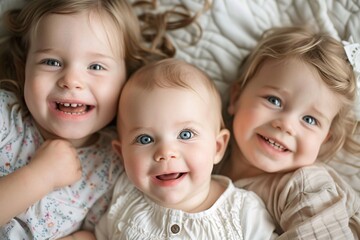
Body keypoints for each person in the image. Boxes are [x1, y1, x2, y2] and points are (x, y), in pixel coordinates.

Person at [0, 0, 164, 239]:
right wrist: (39, 177)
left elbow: (98, 231)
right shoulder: (6, 117)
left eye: (96, 66)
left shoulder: (114, 162)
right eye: (51, 62)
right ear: (24, 66)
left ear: (127, 79)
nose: (71, 79)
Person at [94, 58, 278, 239]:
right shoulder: (123, 200)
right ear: (121, 153)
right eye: (145, 139)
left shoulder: (242, 212)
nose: (165, 153)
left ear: (217, 147)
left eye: (185, 135)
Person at [214, 26, 360, 238]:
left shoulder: (305, 187)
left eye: (310, 120)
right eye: (274, 100)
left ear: (324, 139)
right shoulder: (209, 158)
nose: (286, 125)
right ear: (236, 98)